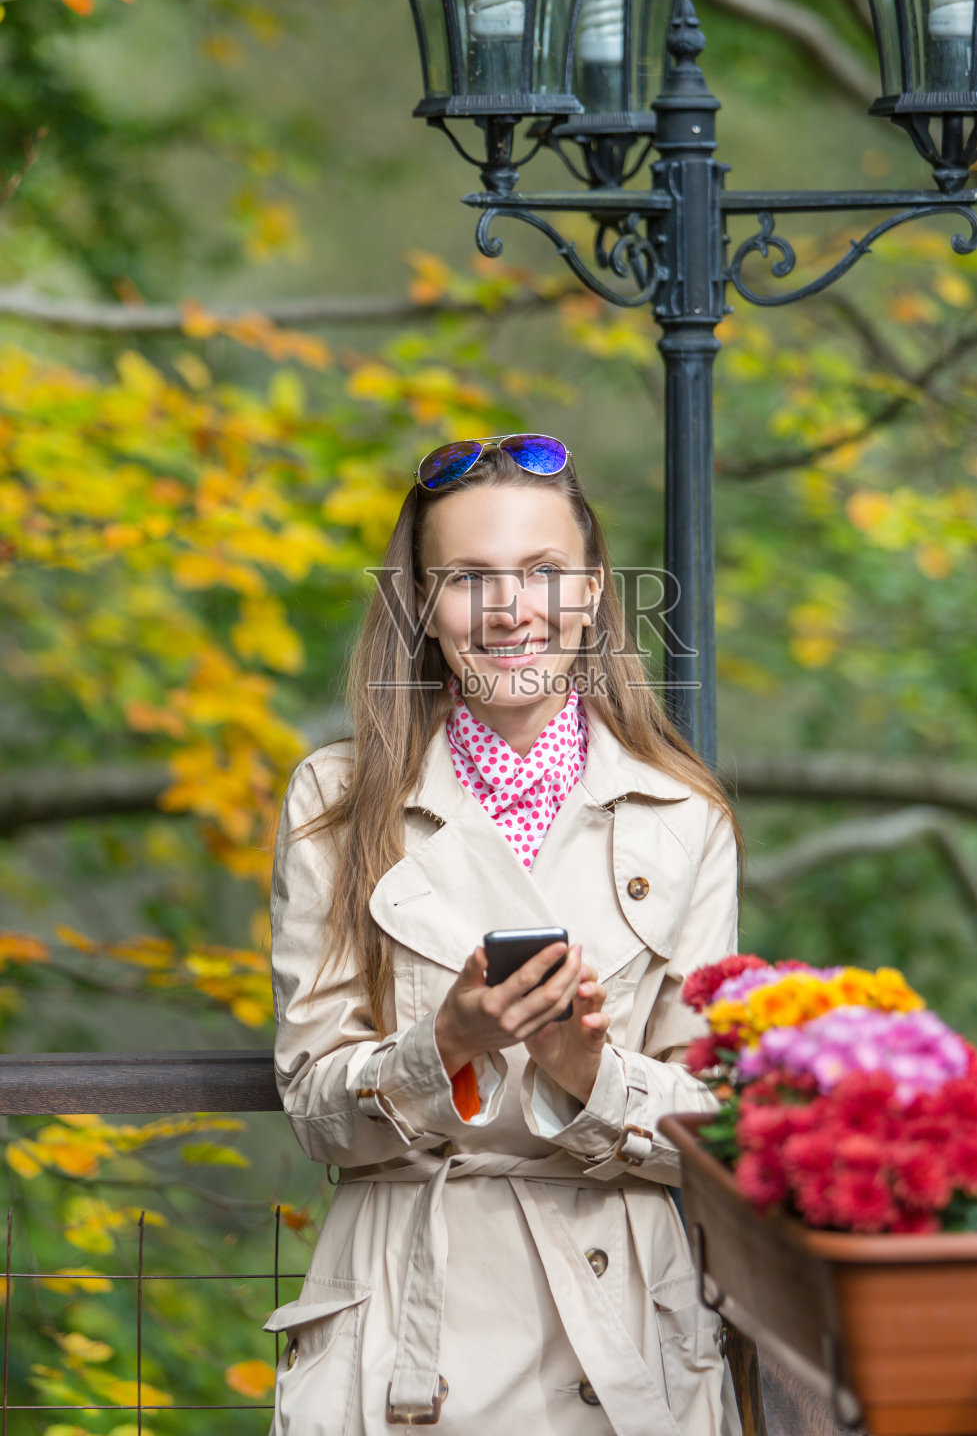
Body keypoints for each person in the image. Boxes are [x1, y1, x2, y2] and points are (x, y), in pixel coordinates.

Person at [264, 433, 741, 1435]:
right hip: (408, 1327)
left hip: (619, 1330)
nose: (510, 609)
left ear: (592, 592)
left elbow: (716, 1125)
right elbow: (314, 1110)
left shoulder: (683, 813)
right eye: (467, 577)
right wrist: (445, 1045)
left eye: (542, 571)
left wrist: (588, 1074)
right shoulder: (336, 802)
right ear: (419, 604)